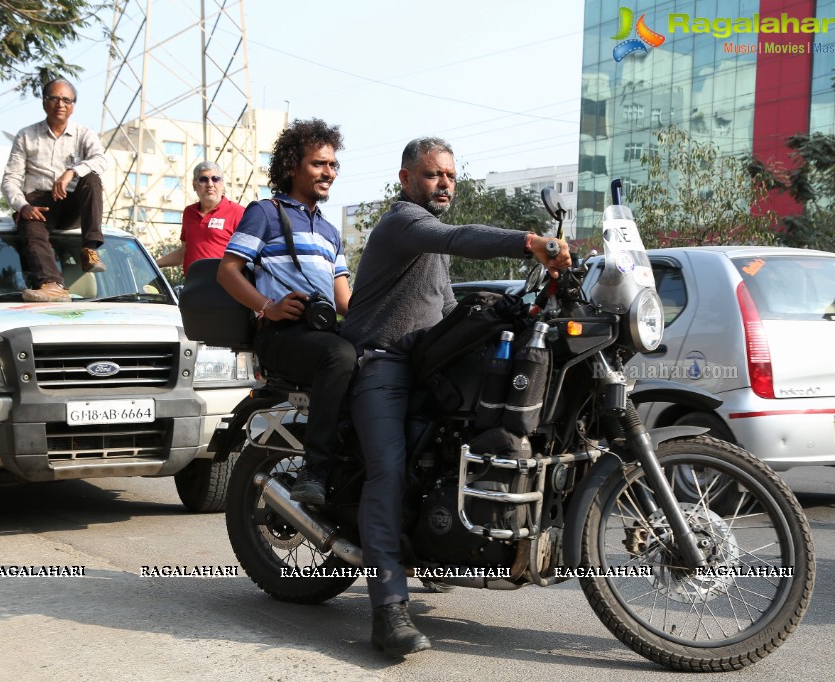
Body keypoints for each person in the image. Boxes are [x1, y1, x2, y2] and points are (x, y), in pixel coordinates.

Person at [340, 137, 571, 657]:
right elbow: (459, 237)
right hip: (380, 359)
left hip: (423, 362)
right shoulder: (404, 222)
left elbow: (446, 309)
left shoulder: (429, 249)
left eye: (449, 176)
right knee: (388, 470)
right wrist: (530, 242)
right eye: (431, 175)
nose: (443, 183)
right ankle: (388, 612)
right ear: (405, 180)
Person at [217, 118, 356, 505]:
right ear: (293, 167)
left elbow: (344, 301)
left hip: (321, 331)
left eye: (333, 165)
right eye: (318, 164)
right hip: (281, 334)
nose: (328, 172)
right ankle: (315, 469)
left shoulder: (329, 232)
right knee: (340, 354)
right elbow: (227, 271)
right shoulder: (265, 212)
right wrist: (269, 307)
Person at [1, 77, 108, 302]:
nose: (60, 104)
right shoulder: (26, 135)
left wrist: (72, 172)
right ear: (44, 102)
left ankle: (89, 249)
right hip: (39, 203)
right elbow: (10, 179)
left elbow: (100, 160)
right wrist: (23, 206)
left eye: (66, 100)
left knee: (92, 178)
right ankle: (52, 285)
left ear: (73, 106)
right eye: (55, 98)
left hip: (73, 204)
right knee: (30, 227)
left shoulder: (84, 133)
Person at [155, 162, 245, 274]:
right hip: (193, 286)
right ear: (194, 185)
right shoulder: (189, 213)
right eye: (203, 179)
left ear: (222, 184)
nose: (210, 184)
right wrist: (153, 264)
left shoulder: (238, 212)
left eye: (215, 179)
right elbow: (184, 252)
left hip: (224, 286)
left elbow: (247, 255)